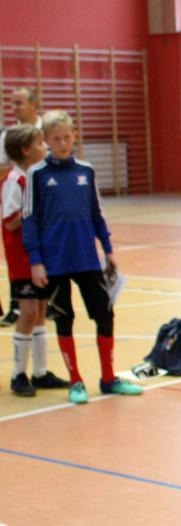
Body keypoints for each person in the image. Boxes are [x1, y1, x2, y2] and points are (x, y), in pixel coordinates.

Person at [22, 109, 141, 403]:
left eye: (67, 137)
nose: (63, 143)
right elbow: (30, 220)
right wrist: (35, 261)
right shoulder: (37, 175)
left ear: (75, 135)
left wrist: (108, 250)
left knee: (105, 315)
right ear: (46, 140)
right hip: (54, 262)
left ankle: (109, 378)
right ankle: (76, 382)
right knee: (65, 319)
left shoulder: (86, 171)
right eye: (56, 139)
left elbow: (97, 213)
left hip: (87, 258)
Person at [3, 124, 71, 396]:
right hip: (22, 257)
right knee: (29, 311)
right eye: (39, 144)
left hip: (42, 255)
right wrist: (38, 211)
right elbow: (10, 222)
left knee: (42, 309)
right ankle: (18, 374)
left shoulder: (37, 177)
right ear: (25, 150)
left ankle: (41, 372)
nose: (44, 148)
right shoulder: (14, 181)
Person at [1, 86, 43, 327]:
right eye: (12, 103)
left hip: (43, 223)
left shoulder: (48, 129)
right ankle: (15, 305)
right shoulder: (9, 136)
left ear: (34, 105)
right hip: (20, 212)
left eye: (19, 103)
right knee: (17, 258)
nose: (14, 107)